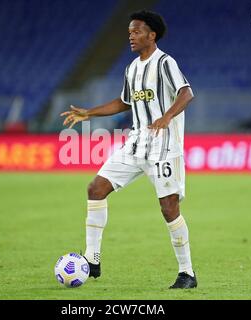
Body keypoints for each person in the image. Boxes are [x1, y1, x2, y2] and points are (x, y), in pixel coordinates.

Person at [60, 10, 196, 289]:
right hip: (136, 144)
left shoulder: (165, 63)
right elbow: (124, 102)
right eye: (129, 32)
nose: (131, 36)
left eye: (136, 32)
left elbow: (186, 93)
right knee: (95, 188)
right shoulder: (132, 68)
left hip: (164, 146)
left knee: (168, 208)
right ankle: (92, 259)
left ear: (152, 35)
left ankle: (187, 273)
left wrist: (167, 116)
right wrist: (90, 113)